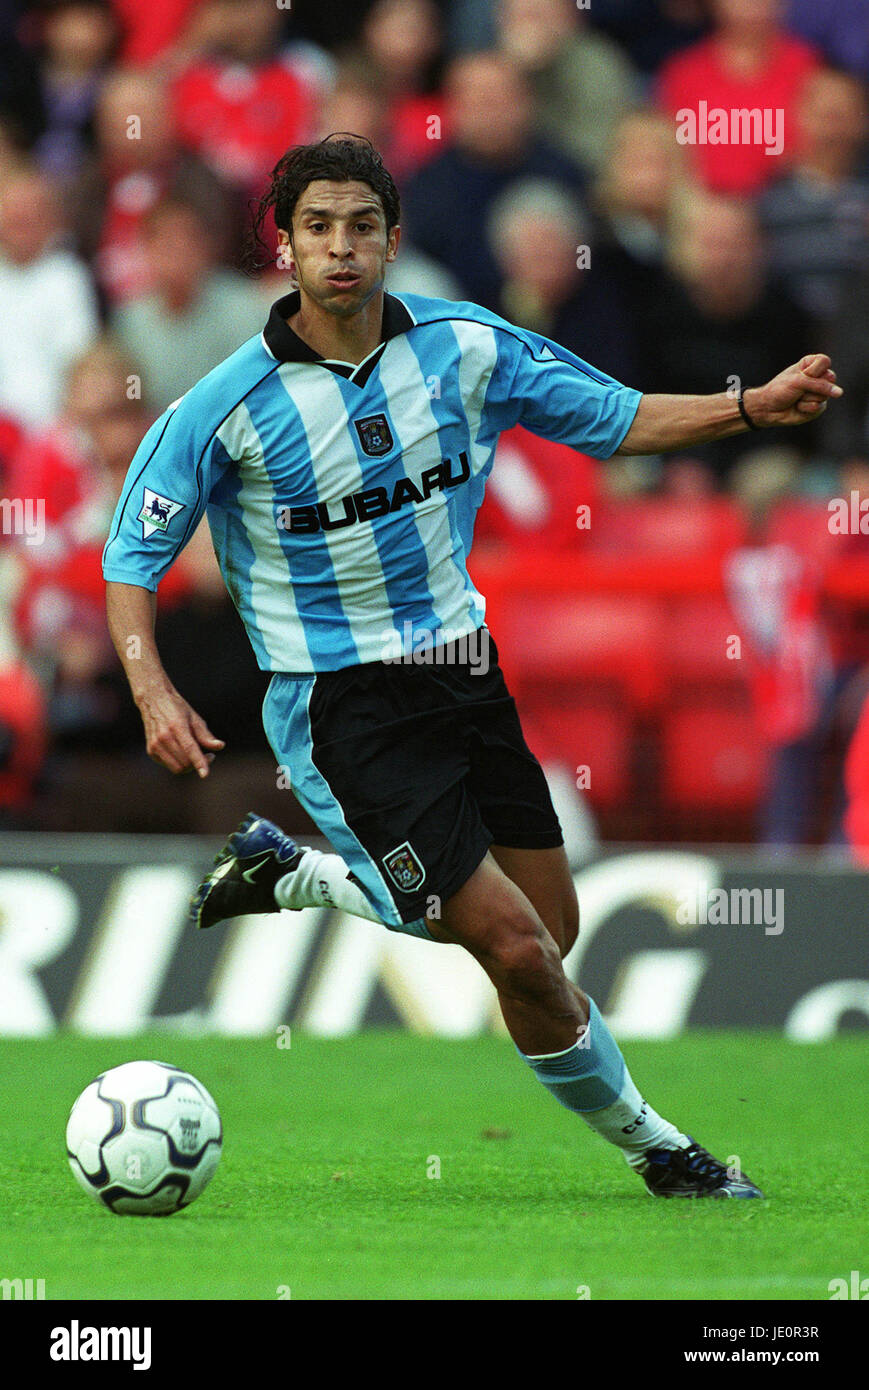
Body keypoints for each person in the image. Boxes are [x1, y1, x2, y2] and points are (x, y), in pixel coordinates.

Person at [103, 136, 841, 1199]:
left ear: (394, 240)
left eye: (362, 224)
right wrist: (150, 684)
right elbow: (131, 554)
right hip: (341, 702)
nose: (341, 247)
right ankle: (663, 1153)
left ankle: (303, 874)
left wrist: (747, 407)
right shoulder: (222, 404)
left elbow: (614, 416)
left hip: (462, 670)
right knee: (519, 954)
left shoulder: (464, 346)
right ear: (285, 247)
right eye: (318, 226)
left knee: (553, 933)